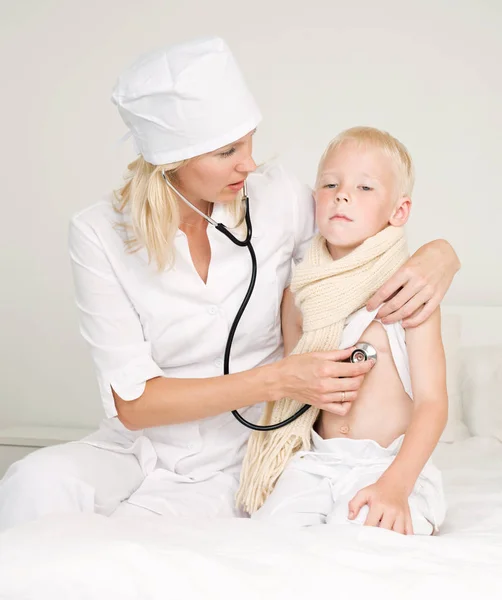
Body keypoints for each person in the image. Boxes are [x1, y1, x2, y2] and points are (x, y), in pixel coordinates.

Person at [0, 38, 459, 532]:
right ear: (172, 160)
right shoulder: (99, 233)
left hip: (237, 454)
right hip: (139, 445)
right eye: (227, 152)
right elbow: (133, 405)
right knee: (32, 484)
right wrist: (281, 379)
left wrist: (441, 254)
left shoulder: (275, 198)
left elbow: (362, 228)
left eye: (249, 142)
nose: (249, 163)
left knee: (134, 546)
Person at [239, 127, 447, 535]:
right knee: (268, 536)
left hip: (391, 464)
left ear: (398, 212)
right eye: (330, 184)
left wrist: (396, 485)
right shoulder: (299, 296)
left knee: (359, 540)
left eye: (365, 187)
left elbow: (432, 404)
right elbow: (296, 385)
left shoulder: (408, 295)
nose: (342, 194)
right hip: (318, 461)